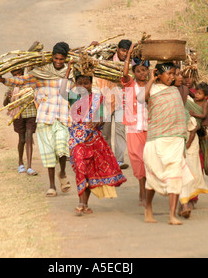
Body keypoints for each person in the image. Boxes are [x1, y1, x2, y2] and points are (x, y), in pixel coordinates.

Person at [0, 42, 73, 197]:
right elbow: (22, 80)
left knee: (62, 147)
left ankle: (63, 173)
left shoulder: (71, 73)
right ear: (52, 57)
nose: (58, 62)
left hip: (63, 117)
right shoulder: (42, 72)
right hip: (45, 116)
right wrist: (4, 80)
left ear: (66, 58)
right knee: (49, 153)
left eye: (61, 59)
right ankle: (51, 186)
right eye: (56, 58)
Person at [60, 60, 127, 215]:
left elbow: (104, 116)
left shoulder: (98, 98)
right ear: (75, 84)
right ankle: (81, 203)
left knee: (89, 173)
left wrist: (98, 121)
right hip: (76, 141)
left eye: (86, 83)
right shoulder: (73, 97)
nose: (83, 87)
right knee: (80, 170)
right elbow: (62, 91)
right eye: (80, 83)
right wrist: (69, 69)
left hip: (93, 141)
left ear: (91, 84)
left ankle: (84, 204)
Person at [142, 62, 193, 225]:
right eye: (169, 74)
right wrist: (151, 79)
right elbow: (142, 98)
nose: (172, 77)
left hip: (175, 138)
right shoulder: (153, 89)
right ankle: (148, 207)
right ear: (158, 74)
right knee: (153, 177)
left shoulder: (174, 90)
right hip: (157, 139)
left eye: (173, 73)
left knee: (175, 176)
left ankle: (172, 215)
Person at [93, 39, 131, 169]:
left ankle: (119, 160)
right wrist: (93, 47)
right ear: (118, 50)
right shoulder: (107, 60)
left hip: (122, 102)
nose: (125, 54)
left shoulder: (131, 64)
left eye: (127, 51)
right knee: (105, 132)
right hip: (106, 100)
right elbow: (92, 60)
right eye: (123, 50)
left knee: (120, 131)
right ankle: (106, 158)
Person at [176, 74, 208, 219]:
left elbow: (202, 119)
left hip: (193, 135)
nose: (185, 80)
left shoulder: (191, 97)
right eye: (182, 76)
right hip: (181, 135)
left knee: (193, 165)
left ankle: (189, 199)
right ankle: (183, 201)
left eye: (188, 78)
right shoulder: (185, 94)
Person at [121, 44, 149, 206]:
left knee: (149, 159)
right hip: (133, 127)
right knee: (137, 160)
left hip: (149, 127)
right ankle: (142, 190)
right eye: (138, 71)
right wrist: (129, 55)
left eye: (144, 70)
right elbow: (124, 74)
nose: (142, 73)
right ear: (134, 72)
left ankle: (148, 190)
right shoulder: (131, 84)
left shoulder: (153, 84)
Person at [3, 68, 38, 176]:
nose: (17, 76)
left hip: (31, 113)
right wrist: (9, 97)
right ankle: (20, 162)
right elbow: (5, 104)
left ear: (23, 73)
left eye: (19, 74)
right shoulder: (11, 86)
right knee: (22, 139)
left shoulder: (30, 83)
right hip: (18, 115)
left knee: (28, 137)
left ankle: (29, 166)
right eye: (15, 75)